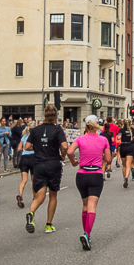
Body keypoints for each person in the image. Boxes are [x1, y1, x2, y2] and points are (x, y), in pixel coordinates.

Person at [66, 115, 111, 251]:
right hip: (96, 174)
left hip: (82, 175)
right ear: (97, 126)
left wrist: (74, 161)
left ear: (86, 126)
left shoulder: (80, 139)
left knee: (85, 205)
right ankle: (87, 234)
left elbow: (69, 151)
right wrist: (100, 155)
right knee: (92, 206)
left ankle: (86, 232)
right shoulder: (103, 139)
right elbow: (108, 159)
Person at [25, 105, 69, 234]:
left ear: (44, 115)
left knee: (39, 196)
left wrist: (37, 149)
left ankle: (31, 213)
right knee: (53, 194)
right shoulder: (57, 129)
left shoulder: (36, 130)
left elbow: (26, 147)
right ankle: (48, 224)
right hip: (53, 163)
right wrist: (62, 155)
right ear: (56, 116)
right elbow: (65, 146)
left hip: (38, 165)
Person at [16, 121, 35, 207]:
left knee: (23, 180)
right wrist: (32, 149)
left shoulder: (24, 137)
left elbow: (19, 149)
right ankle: (34, 197)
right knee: (33, 180)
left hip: (24, 159)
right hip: (33, 158)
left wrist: (25, 149)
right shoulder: (35, 137)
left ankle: (20, 194)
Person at [117, 119, 134, 186]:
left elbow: (119, 137)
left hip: (123, 147)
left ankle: (124, 178)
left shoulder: (121, 130)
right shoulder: (133, 130)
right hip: (130, 147)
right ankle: (127, 177)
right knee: (128, 165)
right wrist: (131, 138)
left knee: (124, 165)